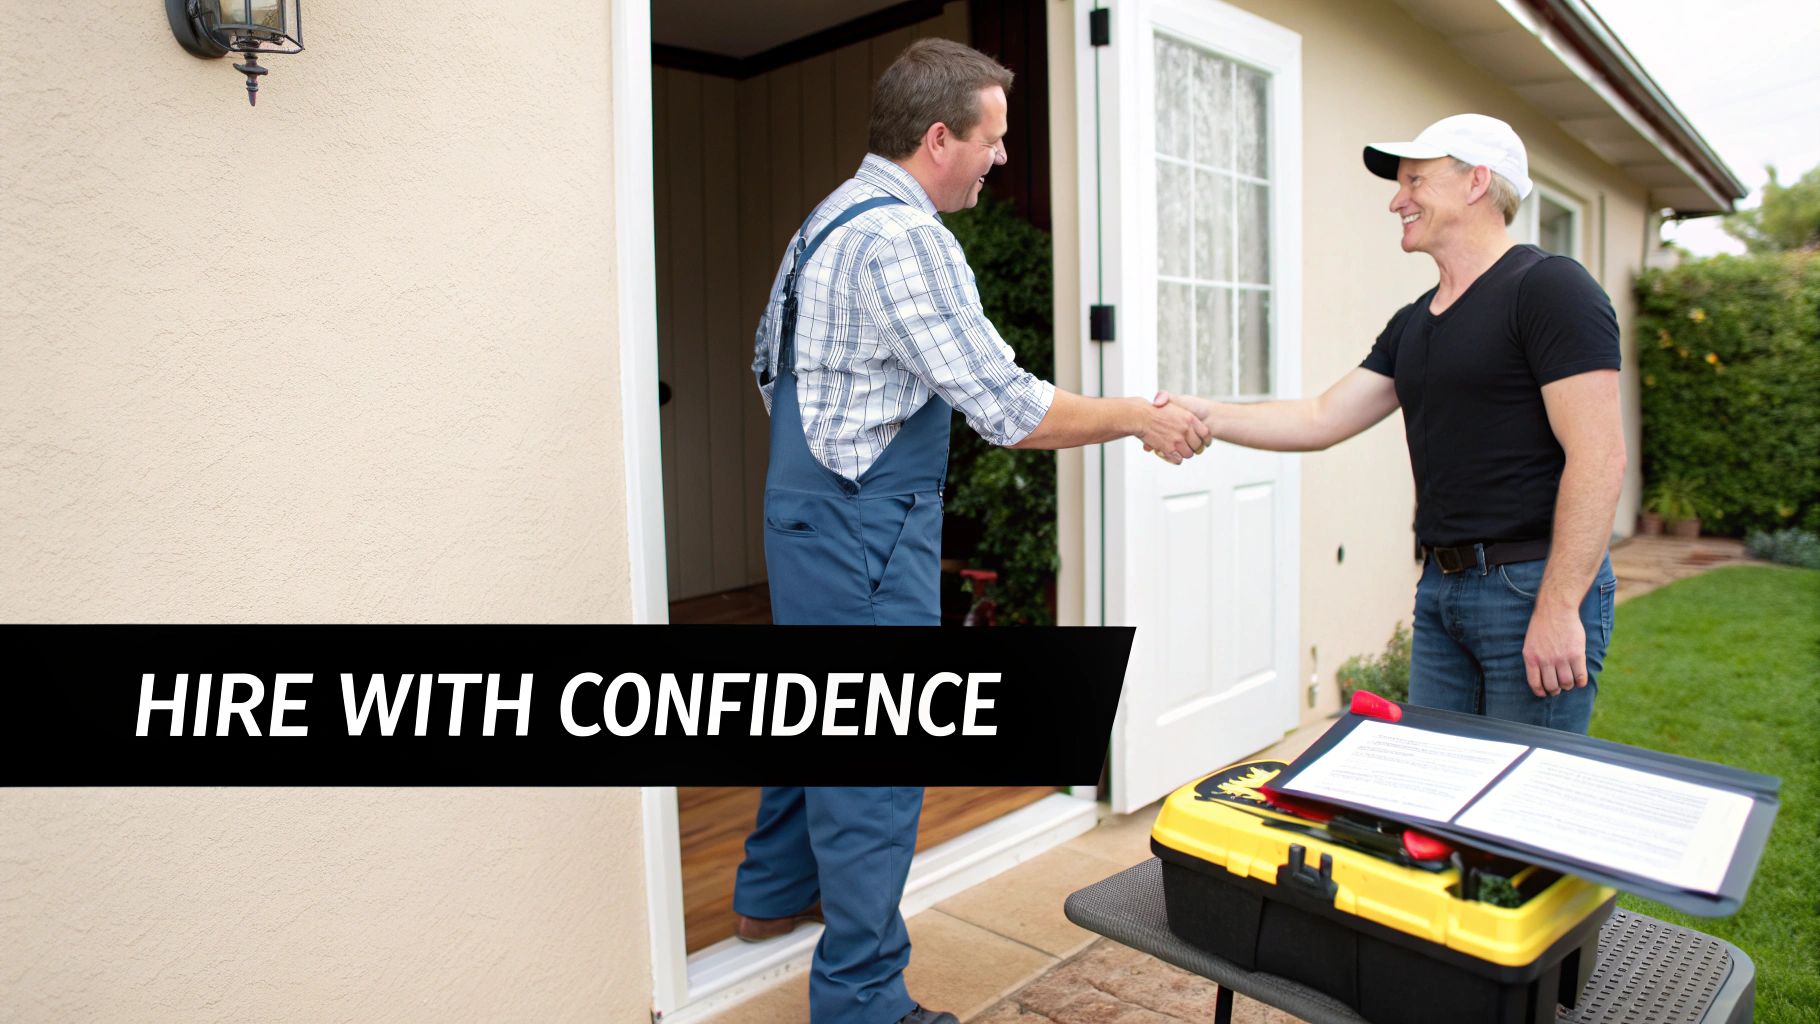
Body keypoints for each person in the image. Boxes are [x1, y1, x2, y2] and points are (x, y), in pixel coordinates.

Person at [738, 38, 1212, 1024]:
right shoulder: (907, 239)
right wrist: (1136, 415)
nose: (1000, 158)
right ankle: (862, 999)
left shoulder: (828, 218)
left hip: (809, 513)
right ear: (939, 136)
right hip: (865, 525)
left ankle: (769, 893)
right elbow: (1007, 407)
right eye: (992, 139)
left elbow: (766, 366)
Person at [1161, 113, 1626, 735]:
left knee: (1516, 801)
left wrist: (1560, 604)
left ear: (1476, 183)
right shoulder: (1415, 322)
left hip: (1530, 583)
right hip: (1442, 591)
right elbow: (1323, 417)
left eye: (1415, 181)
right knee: (1432, 795)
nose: (1396, 200)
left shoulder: (1548, 289)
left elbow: (1599, 458)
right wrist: (1205, 415)